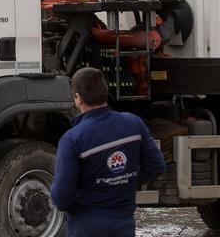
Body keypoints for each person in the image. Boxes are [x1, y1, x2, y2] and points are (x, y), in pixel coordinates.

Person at [50, 67, 165, 237]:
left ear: (78, 98)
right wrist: (126, 183)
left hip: (86, 227)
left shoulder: (72, 139)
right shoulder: (134, 124)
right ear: (105, 93)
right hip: (123, 225)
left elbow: (61, 198)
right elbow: (156, 166)